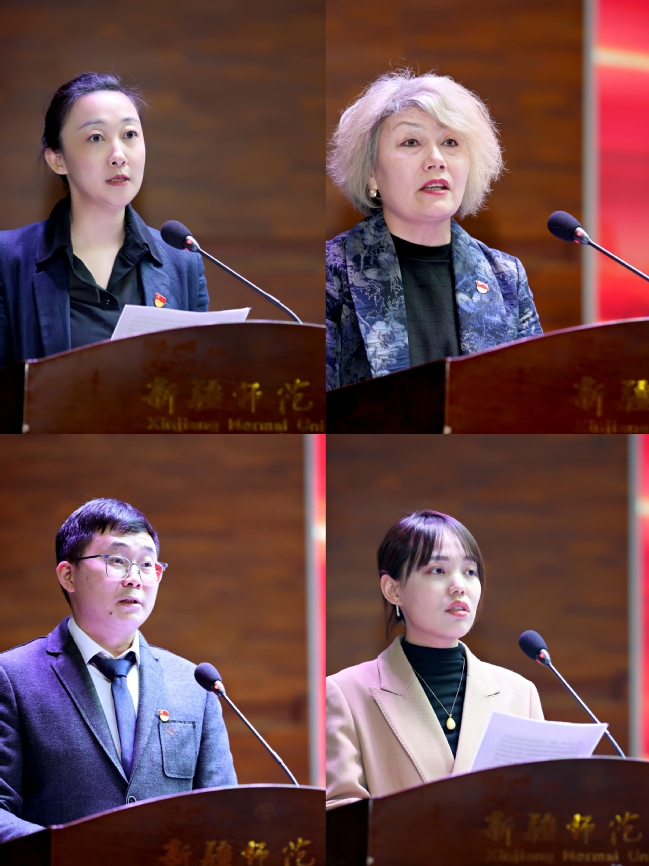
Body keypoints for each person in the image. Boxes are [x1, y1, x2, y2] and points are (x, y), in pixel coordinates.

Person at [0, 498, 236, 842]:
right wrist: (69, 853)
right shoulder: (13, 678)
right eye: (117, 561)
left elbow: (223, 815)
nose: (135, 578)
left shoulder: (194, 684)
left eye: (147, 564)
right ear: (68, 575)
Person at [326, 70, 543, 391]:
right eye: (411, 142)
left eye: (450, 142)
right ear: (372, 172)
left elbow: (533, 398)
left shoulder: (505, 277)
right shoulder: (333, 271)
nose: (436, 160)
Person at [326, 510, 543, 808]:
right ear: (393, 589)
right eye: (438, 570)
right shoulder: (345, 694)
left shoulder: (520, 694)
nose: (459, 586)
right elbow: (341, 817)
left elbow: (540, 806)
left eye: (470, 572)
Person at [0, 72, 208, 368]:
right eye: (96, 137)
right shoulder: (8, 261)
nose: (118, 155)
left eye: (129, 135)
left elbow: (196, 377)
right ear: (58, 159)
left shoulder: (183, 261)